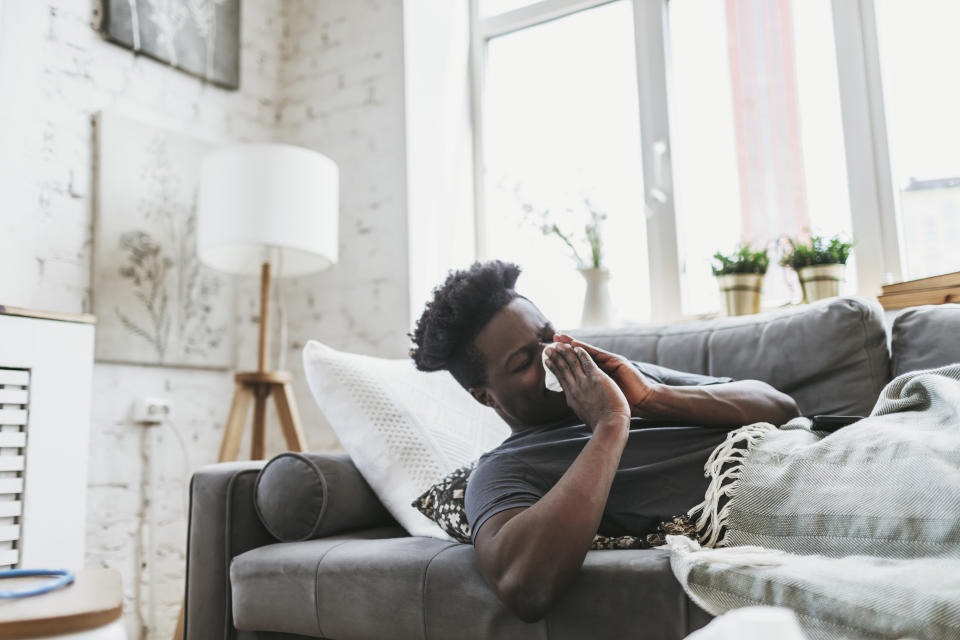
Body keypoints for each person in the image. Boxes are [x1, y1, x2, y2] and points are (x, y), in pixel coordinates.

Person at [409, 261, 800, 622]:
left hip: (809, 451)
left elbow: (781, 408)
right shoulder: (503, 469)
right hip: (784, 498)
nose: (551, 357)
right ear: (485, 395)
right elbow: (523, 587)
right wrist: (610, 425)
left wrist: (651, 398)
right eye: (524, 362)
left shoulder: (624, 381)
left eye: (548, 337)